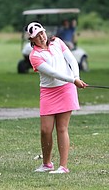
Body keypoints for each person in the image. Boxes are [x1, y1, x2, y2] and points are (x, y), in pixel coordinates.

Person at [26, 22, 88, 174]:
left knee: (62, 128)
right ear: (32, 40)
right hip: (48, 92)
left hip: (66, 89)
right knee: (45, 130)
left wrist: (76, 77)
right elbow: (53, 73)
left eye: (42, 33)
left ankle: (63, 166)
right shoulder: (34, 55)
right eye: (37, 36)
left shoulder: (57, 42)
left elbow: (72, 60)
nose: (41, 37)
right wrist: (73, 80)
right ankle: (47, 163)